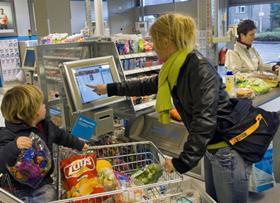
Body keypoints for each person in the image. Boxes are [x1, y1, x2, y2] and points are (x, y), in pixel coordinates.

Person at [88, 13, 279, 203]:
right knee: (212, 199)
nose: (153, 46)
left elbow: (204, 121)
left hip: (227, 149)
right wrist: (109, 88)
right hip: (212, 148)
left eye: (154, 41)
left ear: (166, 41)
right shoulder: (176, 66)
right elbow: (147, 84)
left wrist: (181, 162)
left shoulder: (199, 69)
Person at [0, 85, 89, 202]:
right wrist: (13, 147)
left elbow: (62, 136)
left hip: (43, 181)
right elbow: (2, 161)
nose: (45, 105)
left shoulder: (46, 126)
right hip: (17, 187)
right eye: (42, 104)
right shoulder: (8, 133)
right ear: (33, 112)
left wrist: (79, 144)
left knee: (50, 193)